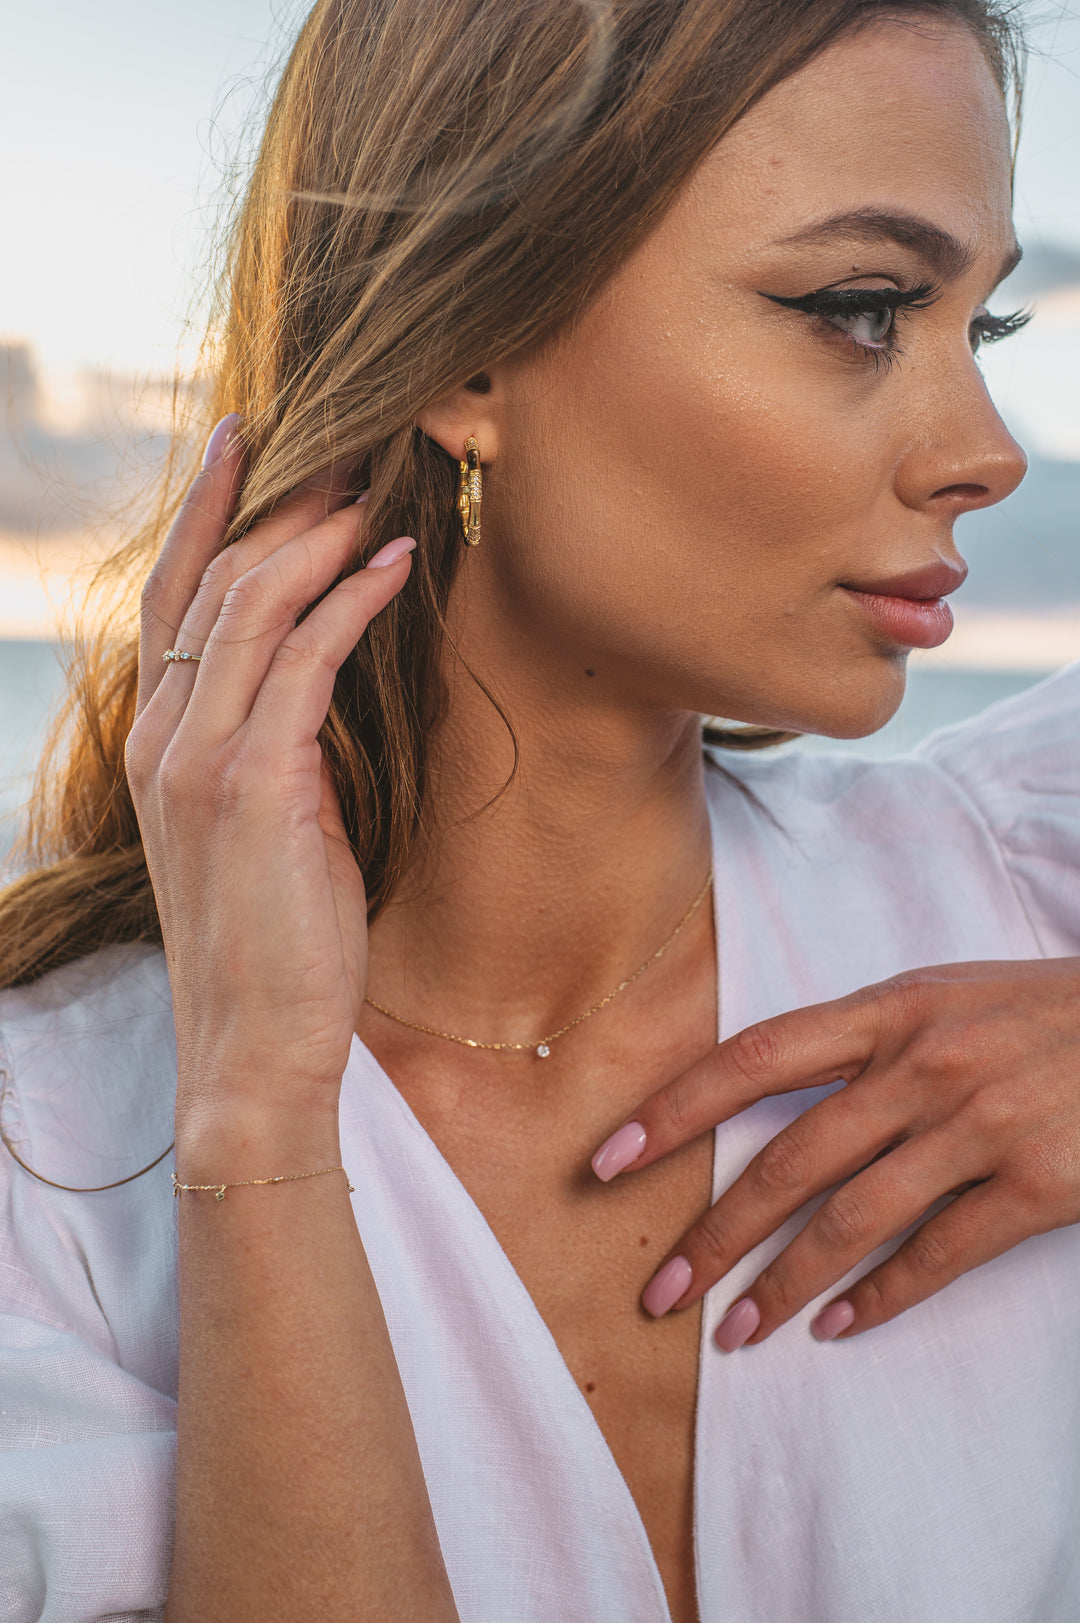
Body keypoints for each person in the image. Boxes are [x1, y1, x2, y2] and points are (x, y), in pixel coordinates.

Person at [1, 0, 1078, 1617]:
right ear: (468, 347)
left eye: (977, 330)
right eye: (862, 308)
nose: (988, 455)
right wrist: (258, 1125)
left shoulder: (1025, 876)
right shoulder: (50, 1161)